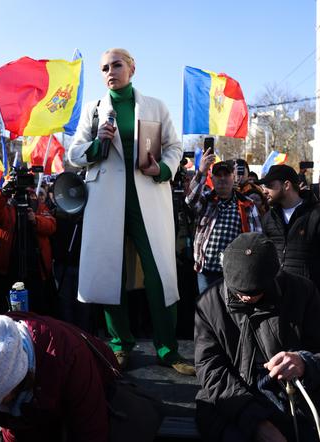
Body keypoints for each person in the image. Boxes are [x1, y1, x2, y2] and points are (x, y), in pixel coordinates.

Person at [67, 48, 191, 374]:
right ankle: (120, 345)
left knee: (160, 275)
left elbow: (174, 148)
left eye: (117, 64)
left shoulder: (156, 106)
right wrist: (96, 145)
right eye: (105, 67)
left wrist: (163, 170)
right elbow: (74, 153)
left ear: (132, 68)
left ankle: (168, 349)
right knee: (110, 273)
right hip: (106, 201)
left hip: (148, 199)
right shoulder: (94, 110)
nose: (110, 71)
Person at [194, 233, 320, 442]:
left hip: (296, 393)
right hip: (235, 397)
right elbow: (211, 370)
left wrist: (305, 363)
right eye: (239, 292)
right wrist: (256, 422)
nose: (247, 297)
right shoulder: (209, 303)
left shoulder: (302, 291)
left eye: (255, 292)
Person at [0, 313, 118, 442]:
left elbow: (91, 431)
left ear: (16, 381)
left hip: (95, 388)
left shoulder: (69, 357)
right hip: (32, 405)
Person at [258, 165, 320, 334]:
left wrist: (316, 285)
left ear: (286, 185)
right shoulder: (269, 218)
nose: (265, 190)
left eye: (270, 185)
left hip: (311, 303)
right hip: (278, 299)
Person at [185, 156, 261, 293]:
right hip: (206, 272)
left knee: (230, 312)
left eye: (226, 175)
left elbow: (256, 238)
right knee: (207, 310)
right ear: (212, 179)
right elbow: (190, 199)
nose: (222, 178)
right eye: (218, 175)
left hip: (235, 272)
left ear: (233, 178)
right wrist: (202, 171)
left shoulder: (248, 204)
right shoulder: (206, 201)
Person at [0, 181, 56, 314]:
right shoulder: (7, 206)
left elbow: (51, 226)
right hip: (10, 268)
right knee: (10, 309)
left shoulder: (39, 207)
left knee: (37, 308)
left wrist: (35, 220)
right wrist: (2, 193)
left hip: (36, 268)